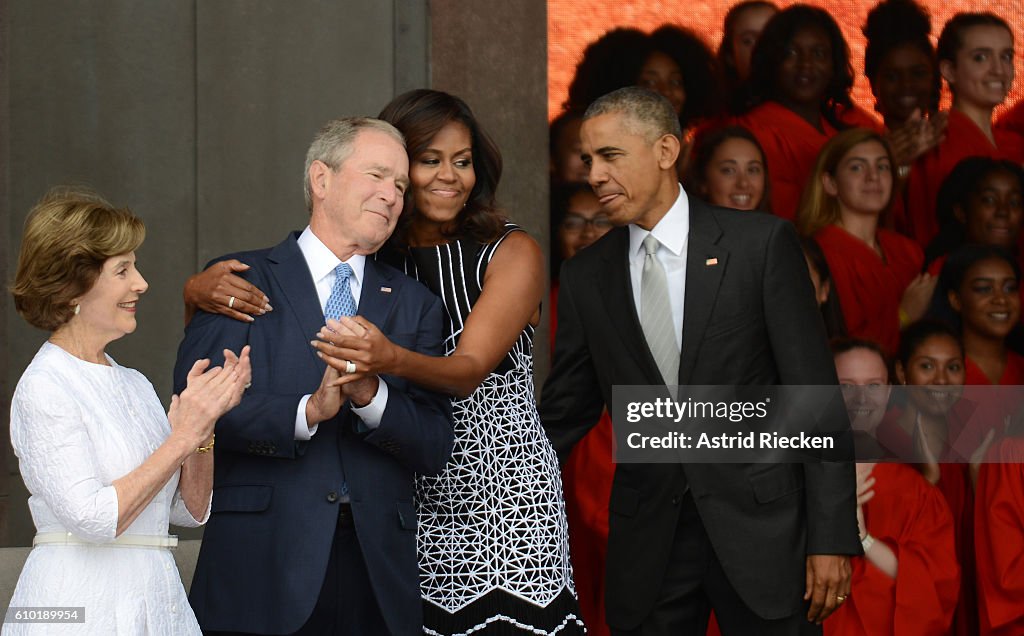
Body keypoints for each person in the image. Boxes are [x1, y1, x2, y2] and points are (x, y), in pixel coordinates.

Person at [185, 94, 583, 634]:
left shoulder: (435, 286)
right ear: (322, 180)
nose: (440, 178)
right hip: (345, 534)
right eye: (404, 169)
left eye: (461, 162)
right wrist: (193, 295)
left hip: (492, 490)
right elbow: (200, 404)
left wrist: (376, 383)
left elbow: (464, 374)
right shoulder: (255, 277)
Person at [541, 86, 860, 635]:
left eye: (610, 156)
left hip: (764, 528)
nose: (593, 175)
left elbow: (813, 398)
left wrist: (830, 537)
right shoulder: (585, 275)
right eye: (588, 159)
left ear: (666, 151)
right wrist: (479, 479)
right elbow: (564, 412)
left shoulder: (761, 245)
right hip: (650, 540)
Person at [173, 117, 455, 635]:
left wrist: (371, 396)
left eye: (399, 185)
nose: (391, 195)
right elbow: (195, 414)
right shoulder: (237, 280)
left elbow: (435, 443)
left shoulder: (415, 304)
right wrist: (307, 411)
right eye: (376, 175)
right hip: (261, 560)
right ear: (321, 180)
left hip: (376, 569)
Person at [5, 187, 250, 635]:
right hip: (75, 606)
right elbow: (96, 519)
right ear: (73, 286)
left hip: (154, 598)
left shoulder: (133, 383)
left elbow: (190, 511)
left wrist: (204, 425)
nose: (141, 283)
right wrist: (182, 436)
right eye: (123, 270)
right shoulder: (44, 386)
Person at [827, 340, 960, 636]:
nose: (861, 398)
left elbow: (936, 586)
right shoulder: (790, 481)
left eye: (873, 386)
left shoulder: (918, 494)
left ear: (889, 393)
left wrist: (863, 539)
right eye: (846, 386)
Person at [734, 4, 879, 220]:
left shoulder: (850, 118)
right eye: (791, 53)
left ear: (833, 63)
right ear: (772, 61)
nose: (806, 64)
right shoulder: (751, 132)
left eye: (818, 53)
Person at [797, 128, 931, 355]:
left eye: (882, 166)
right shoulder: (819, 255)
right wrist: (904, 316)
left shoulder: (908, 250)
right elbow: (832, 344)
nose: (873, 177)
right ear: (830, 183)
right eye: (857, 167)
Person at [903, 12, 1024, 247]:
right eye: (981, 58)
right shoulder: (933, 143)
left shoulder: (1013, 142)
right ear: (948, 70)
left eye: (1006, 57)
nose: (999, 70)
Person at [684, 124, 770, 212]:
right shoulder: (684, 224)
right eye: (728, 171)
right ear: (703, 180)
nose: (743, 183)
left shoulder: (777, 224)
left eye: (752, 170)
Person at [717, 0, 779, 109]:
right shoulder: (721, 124)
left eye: (772, 38)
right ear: (730, 55)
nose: (762, 47)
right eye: (748, 41)